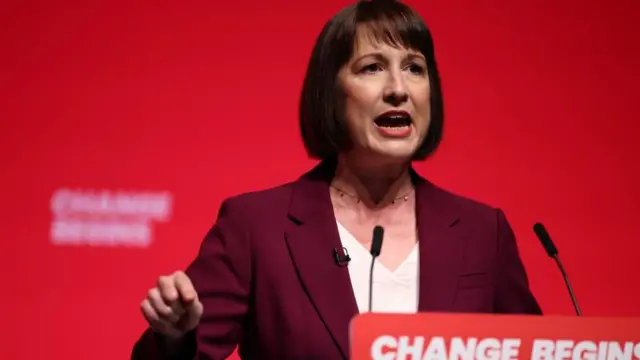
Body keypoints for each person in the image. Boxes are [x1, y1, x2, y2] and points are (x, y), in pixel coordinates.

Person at [131, 0, 542, 359]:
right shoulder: (256, 227)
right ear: (331, 92)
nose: (398, 89)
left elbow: (536, 351)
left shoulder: (484, 232)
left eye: (414, 68)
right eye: (373, 68)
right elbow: (180, 351)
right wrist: (174, 338)